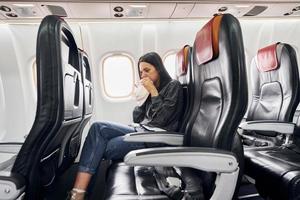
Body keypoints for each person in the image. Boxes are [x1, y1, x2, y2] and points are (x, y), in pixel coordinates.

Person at [67, 52, 183, 200]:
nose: (143, 75)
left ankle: (78, 194)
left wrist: (153, 91)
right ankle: (79, 193)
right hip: (143, 130)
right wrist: (140, 98)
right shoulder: (150, 89)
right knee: (97, 128)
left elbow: (161, 120)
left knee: (100, 147)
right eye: (141, 72)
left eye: (147, 70)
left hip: (156, 138)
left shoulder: (174, 86)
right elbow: (138, 119)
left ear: (159, 69)